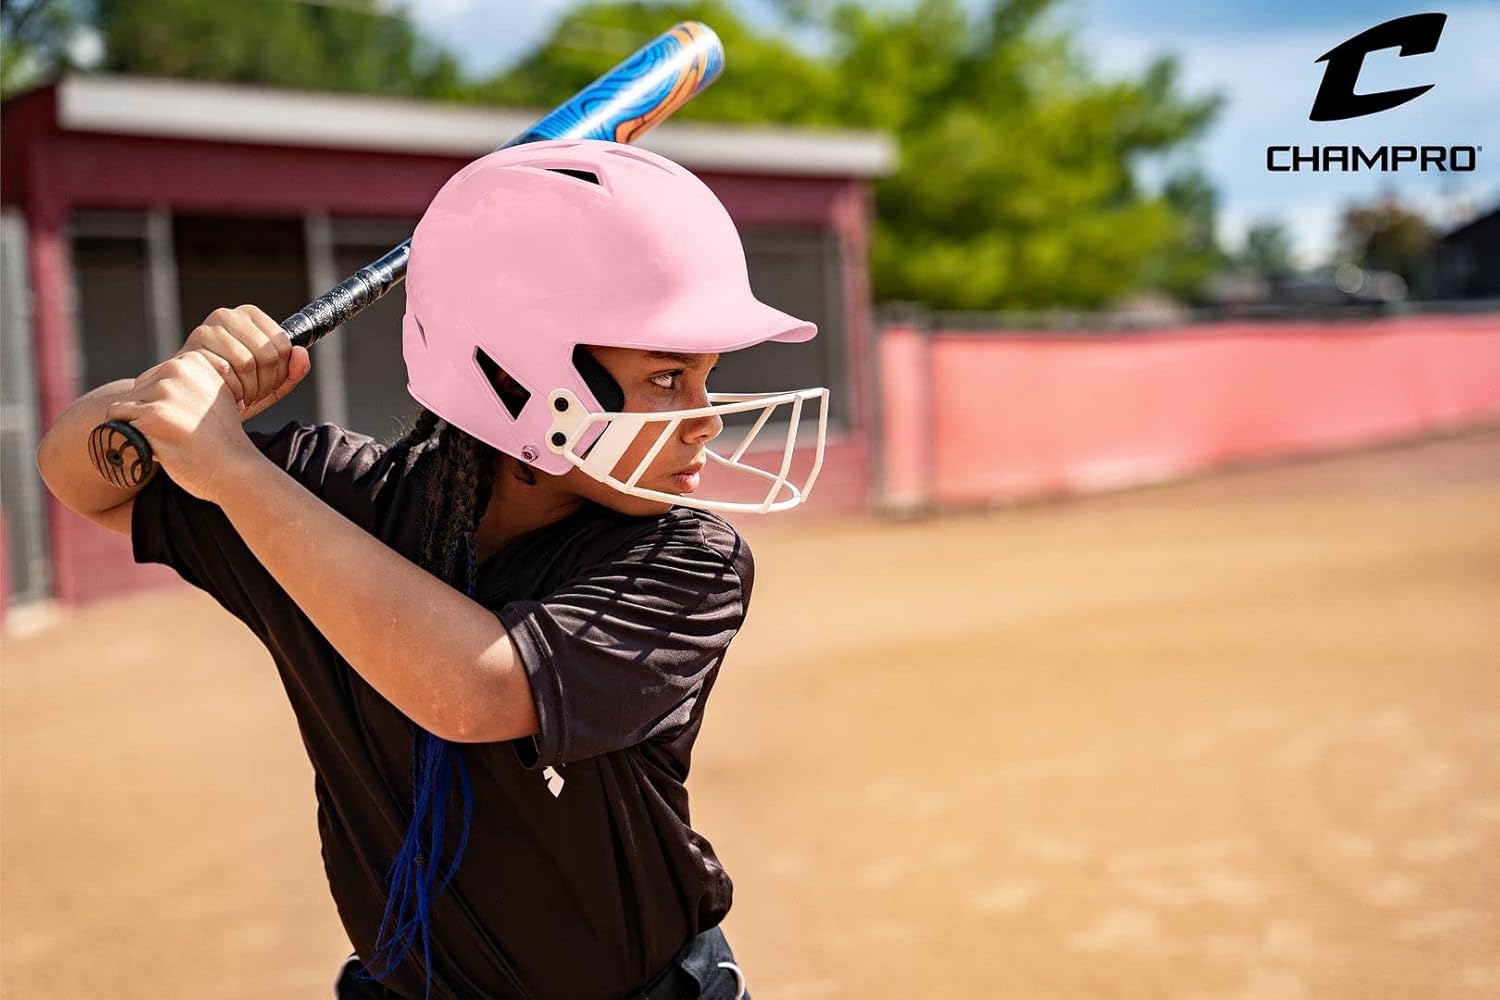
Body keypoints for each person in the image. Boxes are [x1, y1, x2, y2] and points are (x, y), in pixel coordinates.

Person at [35, 139, 829, 999]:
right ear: (522, 381)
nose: (706, 418)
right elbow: (77, 473)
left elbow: (473, 690)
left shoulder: (684, 561)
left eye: (706, 377)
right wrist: (174, 390)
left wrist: (235, 469)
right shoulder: (331, 501)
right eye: (668, 376)